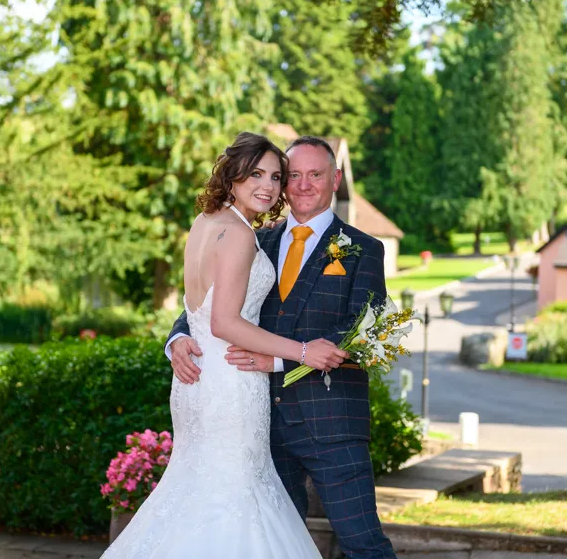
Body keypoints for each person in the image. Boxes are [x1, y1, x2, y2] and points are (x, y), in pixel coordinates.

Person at [101, 132, 345, 559]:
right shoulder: (239, 235)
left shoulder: (206, 222)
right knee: (233, 497)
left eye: (275, 176)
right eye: (256, 174)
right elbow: (225, 322)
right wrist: (303, 351)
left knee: (194, 490)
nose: (268, 186)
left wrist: (178, 338)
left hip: (198, 382)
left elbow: (198, 311)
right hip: (230, 382)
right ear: (232, 175)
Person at [167, 136, 398, 558]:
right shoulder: (256, 238)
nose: (303, 184)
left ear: (336, 179)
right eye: (293, 176)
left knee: (364, 544)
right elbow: (211, 304)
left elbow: (362, 335)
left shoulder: (365, 249)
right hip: (260, 424)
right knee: (271, 544)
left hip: (331, 426)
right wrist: (179, 338)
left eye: (316, 175)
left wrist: (274, 359)